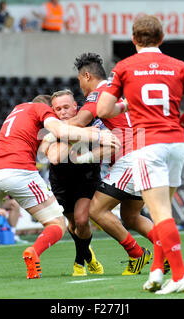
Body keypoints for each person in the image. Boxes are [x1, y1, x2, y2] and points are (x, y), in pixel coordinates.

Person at [0, 95, 118, 281]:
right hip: (19, 171)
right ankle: (33, 251)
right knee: (56, 223)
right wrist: (98, 134)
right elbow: (60, 130)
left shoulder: (16, 110)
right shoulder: (40, 109)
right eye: (54, 111)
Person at [96, 15, 184, 294]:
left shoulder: (124, 67)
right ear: (161, 39)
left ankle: (181, 274)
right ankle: (157, 272)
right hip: (176, 143)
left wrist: (125, 105)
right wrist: (180, 124)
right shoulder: (178, 66)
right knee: (164, 212)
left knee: (159, 214)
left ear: (134, 40)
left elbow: (102, 111)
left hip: (149, 144)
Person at [65, 52, 157, 276]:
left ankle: (136, 254)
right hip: (144, 155)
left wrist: (50, 126)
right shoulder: (118, 92)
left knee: (95, 210)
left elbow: (79, 122)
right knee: (131, 217)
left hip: (130, 159)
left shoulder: (99, 94)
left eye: (79, 80)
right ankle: (168, 254)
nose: (80, 85)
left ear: (87, 75)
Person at [44, 89, 104, 277]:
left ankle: (79, 262)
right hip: (61, 182)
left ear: (75, 107)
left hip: (86, 178)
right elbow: (55, 157)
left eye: (66, 107)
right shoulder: (49, 129)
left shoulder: (91, 122)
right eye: (58, 109)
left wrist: (74, 133)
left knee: (82, 220)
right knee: (72, 223)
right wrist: (78, 133)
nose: (62, 112)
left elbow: (106, 146)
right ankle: (89, 256)